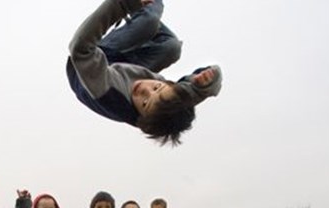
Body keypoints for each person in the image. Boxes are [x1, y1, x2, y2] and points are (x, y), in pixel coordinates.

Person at [67, 0, 223, 145]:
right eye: (156, 87)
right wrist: (206, 83)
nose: (143, 89)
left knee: (149, 21)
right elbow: (193, 93)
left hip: (88, 65)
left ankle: (140, 7)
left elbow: (80, 48)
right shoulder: (166, 104)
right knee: (171, 48)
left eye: (144, 103)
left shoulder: (108, 92)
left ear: (141, 115)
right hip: (124, 67)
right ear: (168, 84)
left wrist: (123, 5)